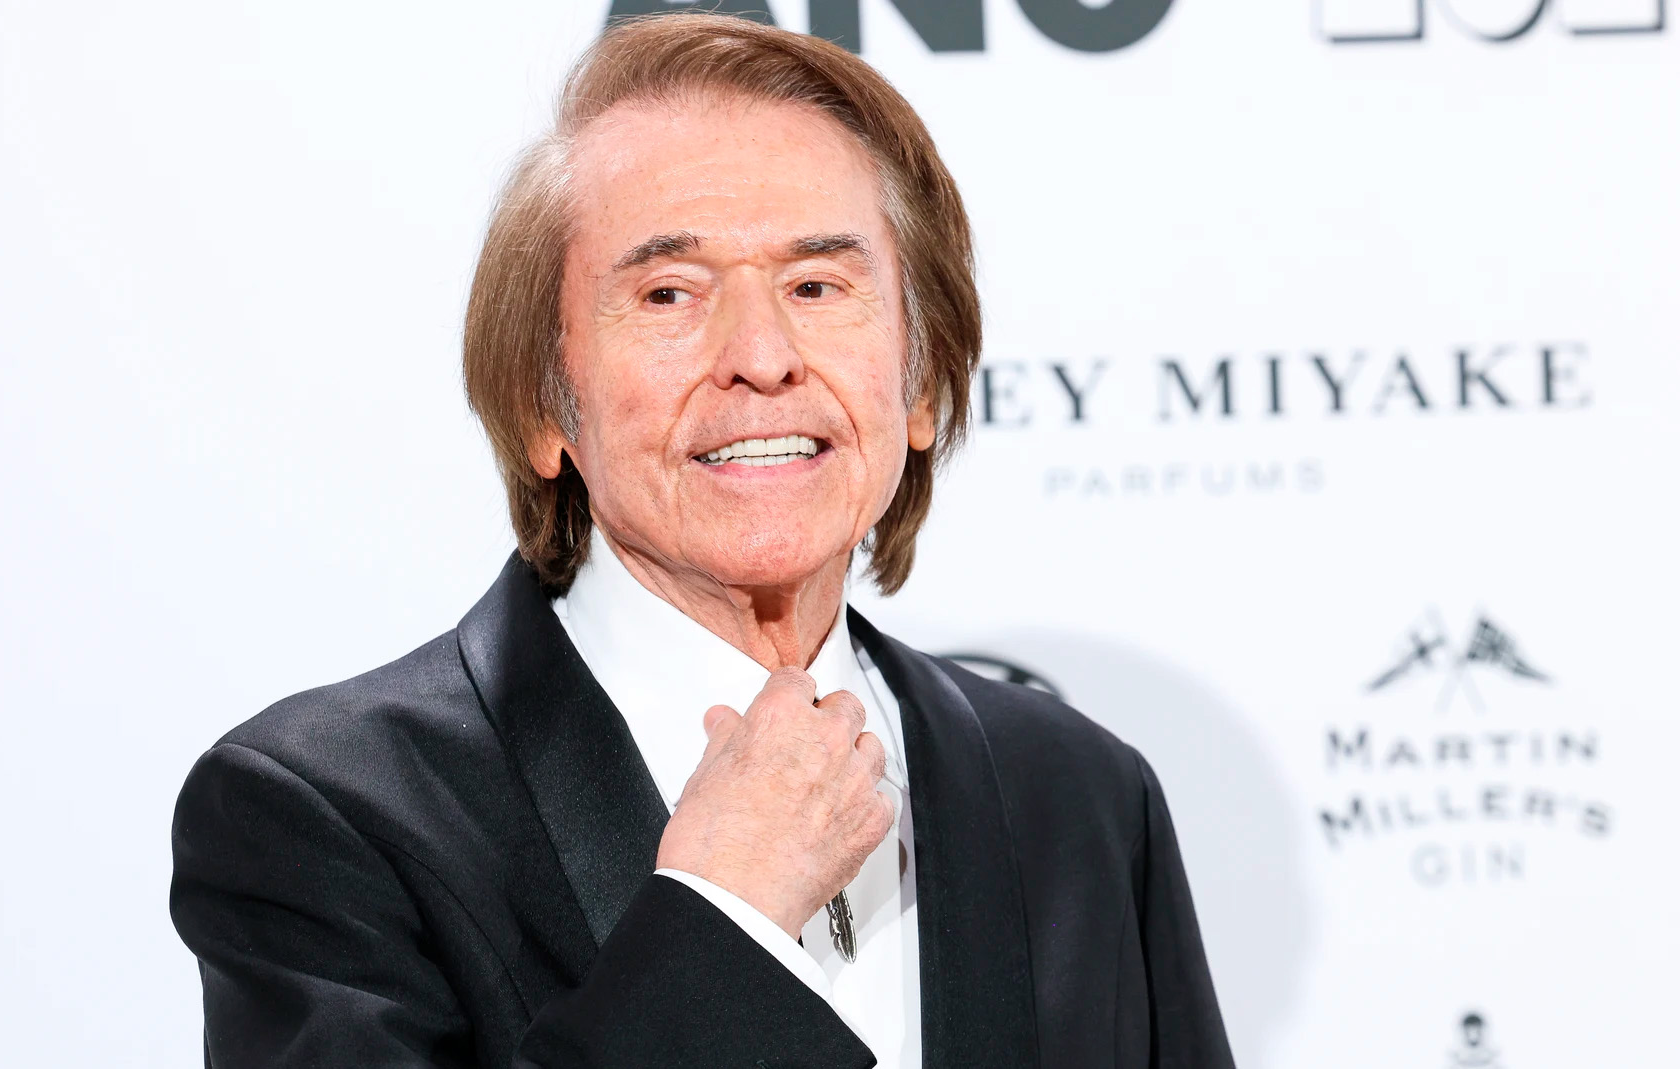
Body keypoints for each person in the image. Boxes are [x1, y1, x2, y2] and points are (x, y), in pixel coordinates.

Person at [169, 13, 1233, 1068]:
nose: (762, 356)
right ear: (543, 405)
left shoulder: (1079, 795)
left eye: (816, 286)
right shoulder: (328, 815)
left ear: (920, 382)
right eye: (669, 293)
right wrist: (724, 915)